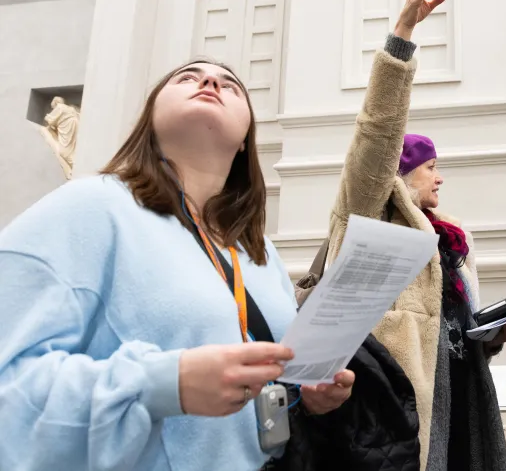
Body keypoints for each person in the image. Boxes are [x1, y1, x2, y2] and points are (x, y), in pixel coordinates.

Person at [0, 59, 353, 471]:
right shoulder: (89, 207)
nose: (209, 81)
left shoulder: (257, 251)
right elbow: (11, 385)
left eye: (231, 86)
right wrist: (165, 384)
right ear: (150, 119)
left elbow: (275, 373)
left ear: (244, 140)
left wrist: (309, 395)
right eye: (187, 77)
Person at [322, 0, 506, 471]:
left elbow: (455, 324)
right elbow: (376, 134)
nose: (439, 178)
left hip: (459, 397)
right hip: (401, 408)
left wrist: (495, 334)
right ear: (401, 170)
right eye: (431, 166)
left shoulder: (450, 241)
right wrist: (402, 36)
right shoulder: (368, 210)